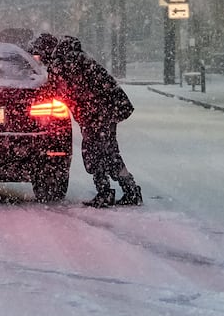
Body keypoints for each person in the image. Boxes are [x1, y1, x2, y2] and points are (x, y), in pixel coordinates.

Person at [32, 33, 142, 208]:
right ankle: (130, 190)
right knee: (108, 151)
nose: (40, 61)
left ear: (46, 51)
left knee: (93, 151)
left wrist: (29, 92)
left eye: (39, 56)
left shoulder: (62, 63)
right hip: (107, 108)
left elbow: (52, 91)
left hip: (97, 112)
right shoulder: (72, 56)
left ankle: (106, 192)